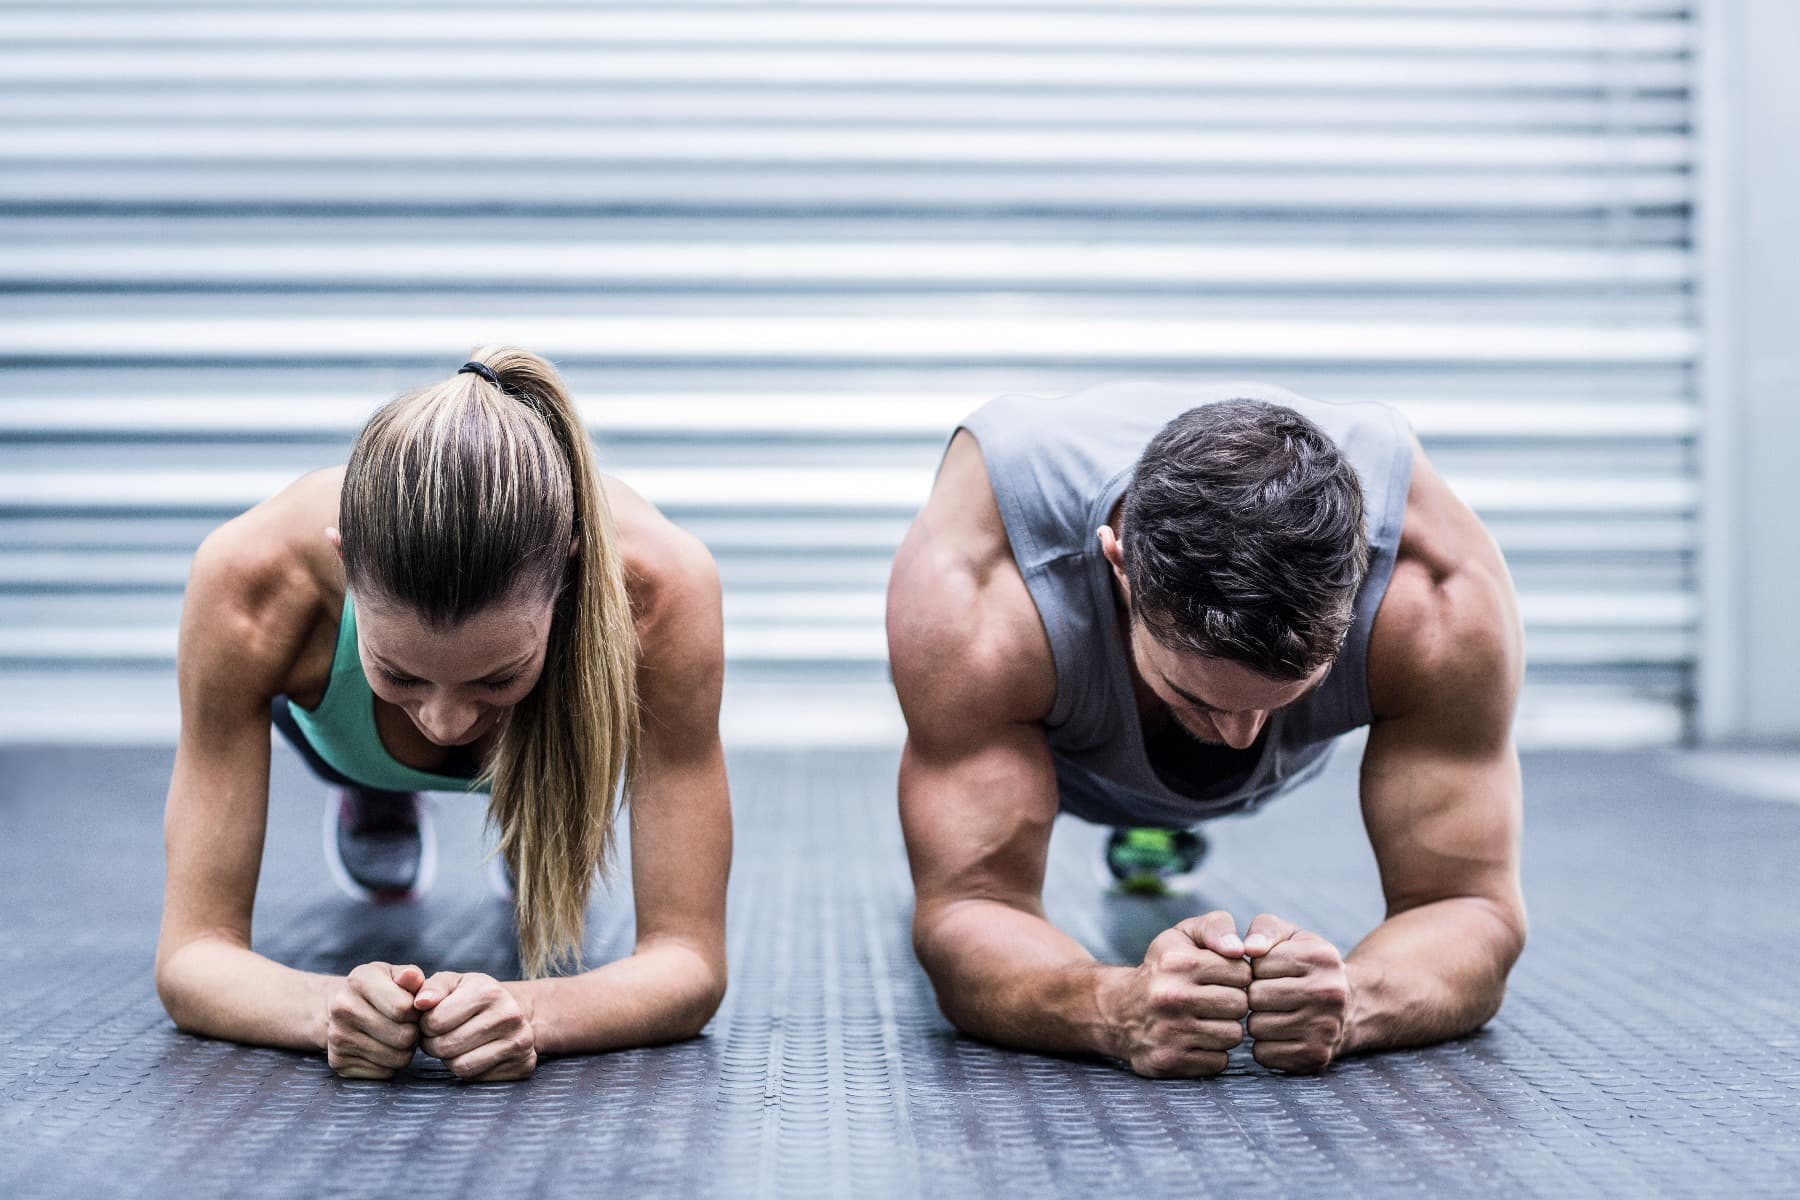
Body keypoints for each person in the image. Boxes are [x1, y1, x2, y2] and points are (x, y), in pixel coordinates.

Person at [886, 380, 1527, 1078]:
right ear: (1120, 563)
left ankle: (1174, 759)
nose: (1241, 739)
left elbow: (1470, 906)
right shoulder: (982, 594)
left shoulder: (1434, 595)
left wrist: (1360, 999)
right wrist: (1112, 1005)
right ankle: (1145, 802)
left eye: (1282, 698)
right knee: (998, 765)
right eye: (1197, 696)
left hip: (1145, 685)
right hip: (1071, 743)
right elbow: (970, 909)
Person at [155, 348, 731, 1082]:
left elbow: (689, 962)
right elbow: (190, 955)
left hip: (556, 734)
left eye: (496, 677)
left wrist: (532, 1012)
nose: (448, 722)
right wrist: (326, 1008)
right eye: (399, 672)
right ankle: (375, 784)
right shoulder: (252, 579)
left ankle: (528, 808)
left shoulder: (661, 587)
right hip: (342, 737)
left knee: (539, 840)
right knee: (385, 717)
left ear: (570, 574)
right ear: (346, 561)